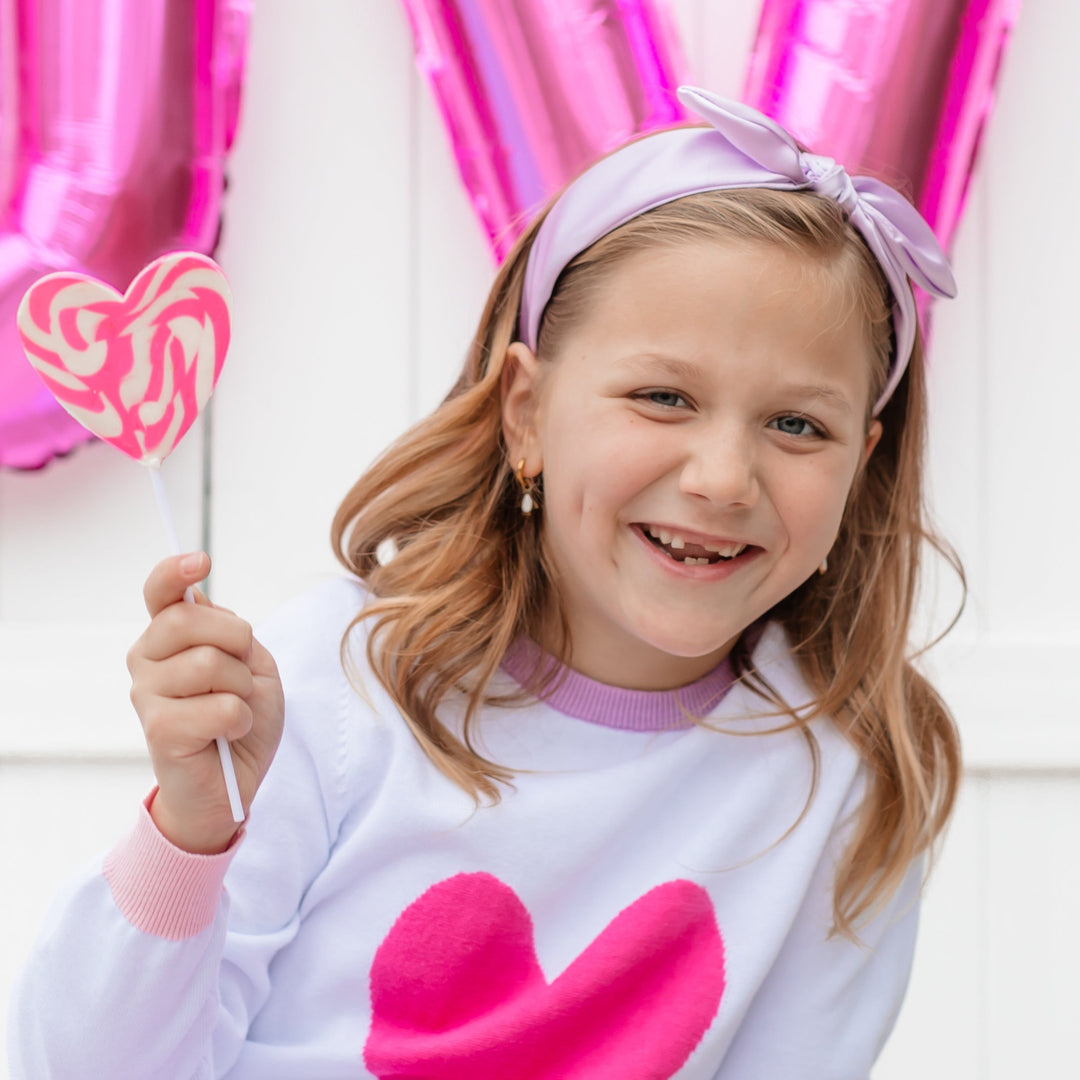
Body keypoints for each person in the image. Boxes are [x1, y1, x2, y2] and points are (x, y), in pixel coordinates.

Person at [9, 88, 963, 1079]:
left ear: (862, 458)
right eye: (662, 397)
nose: (724, 478)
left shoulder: (847, 772)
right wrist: (190, 838)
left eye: (799, 425)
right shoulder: (332, 687)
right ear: (525, 412)